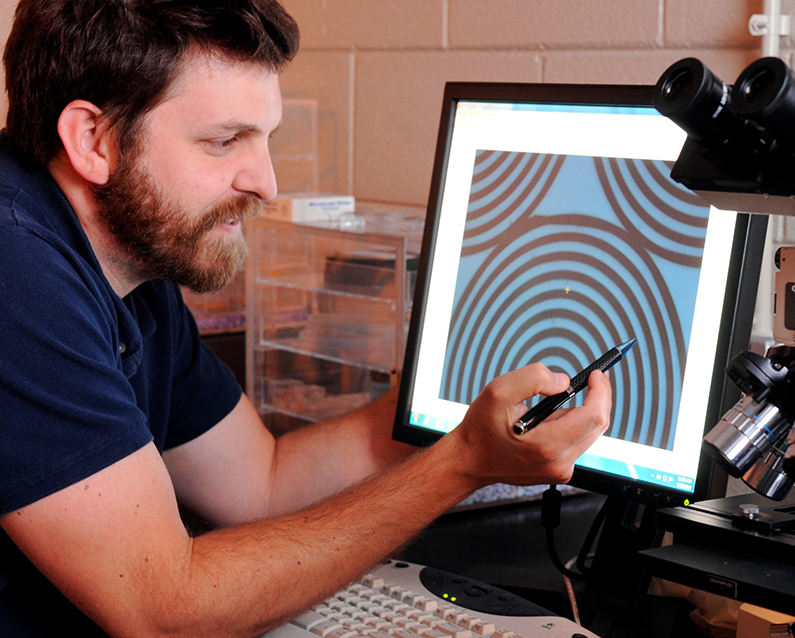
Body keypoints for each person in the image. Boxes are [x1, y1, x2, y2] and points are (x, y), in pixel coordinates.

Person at [0, 1, 612, 637]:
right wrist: (462, 461)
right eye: (224, 140)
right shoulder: (15, 269)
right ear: (93, 141)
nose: (265, 182)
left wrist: (433, 403)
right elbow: (163, 611)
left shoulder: (131, 266)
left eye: (267, 139)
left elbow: (261, 484)